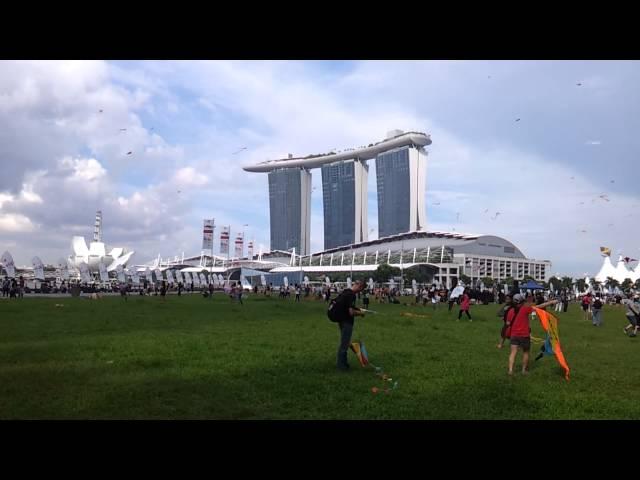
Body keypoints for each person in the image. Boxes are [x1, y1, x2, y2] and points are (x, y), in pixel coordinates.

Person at [507, 294, 558, 375]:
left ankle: (510, 370)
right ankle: (523, 371)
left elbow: (508, 323)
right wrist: (551, 302)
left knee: (513, 353)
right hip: (524, 335)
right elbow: (539, 306)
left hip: (514, 335)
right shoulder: (525, 309)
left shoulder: (510, 311)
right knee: (525, 352)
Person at [330, 279, 366, 371]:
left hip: (340, 320)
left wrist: (358, 309)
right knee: (344, 344)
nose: (360, 291)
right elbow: (351, 312)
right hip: (346, 321)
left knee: (345, 342)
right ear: (360, 286)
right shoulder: (351, 295)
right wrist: (360, 314)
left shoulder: (345, 292)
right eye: (361, 289)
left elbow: (347, 307)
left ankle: (344, 363)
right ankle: (341, 366)